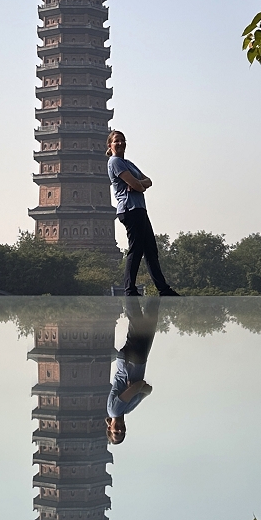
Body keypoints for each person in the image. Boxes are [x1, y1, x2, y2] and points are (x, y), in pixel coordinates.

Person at [106, 130, 180, 297]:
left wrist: (139, 183)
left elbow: (148, 181)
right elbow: (140, 186)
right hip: (129, 209)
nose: (120, 143)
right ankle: (130, 289)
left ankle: (163, 289)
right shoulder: (115, 162)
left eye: (122, 140)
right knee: (136, 248)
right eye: (116, 141)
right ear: (110, 146)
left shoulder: (128, 163)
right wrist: (139, 184)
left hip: (139, 209)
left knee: (150, 249)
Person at [106, 296, 160, 445]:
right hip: (138, 361)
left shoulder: (115, 410)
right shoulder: (127, 410)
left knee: (137, 323)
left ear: (109, 428)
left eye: (116, 432)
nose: (120, 430)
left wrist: (137, 389)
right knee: (149, 323)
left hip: (130, 362)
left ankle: (130, 288)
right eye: (122, 432)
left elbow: (141, 387)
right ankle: (153, 291)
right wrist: (137, 388)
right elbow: (148, 389)